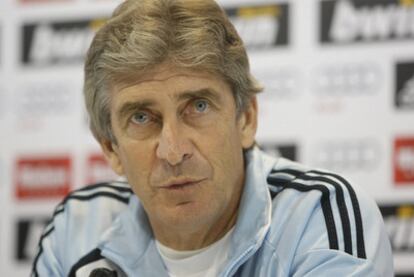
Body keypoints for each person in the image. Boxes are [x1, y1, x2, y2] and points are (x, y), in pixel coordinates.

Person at [31, 0, 393, 276]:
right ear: (110, 147)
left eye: (198, 106)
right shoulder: (76, 227)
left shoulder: (319, 216)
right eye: (142, 117)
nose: (173, 152)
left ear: (246, 119)